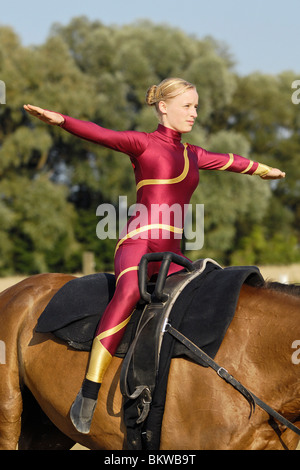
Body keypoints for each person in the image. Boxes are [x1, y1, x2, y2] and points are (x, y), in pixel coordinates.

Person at [24, 77, 285, 433]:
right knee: (130, 292)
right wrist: (61, 120)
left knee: (203, 296)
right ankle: (88, 392)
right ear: (163, 107)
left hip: (174, 254)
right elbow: (100, 133)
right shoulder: (143, 144)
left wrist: (263, 170)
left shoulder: (192, 154)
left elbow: (229, 160)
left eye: (196, 106)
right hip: (138, 243)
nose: (194, 113)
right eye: (188, 106)